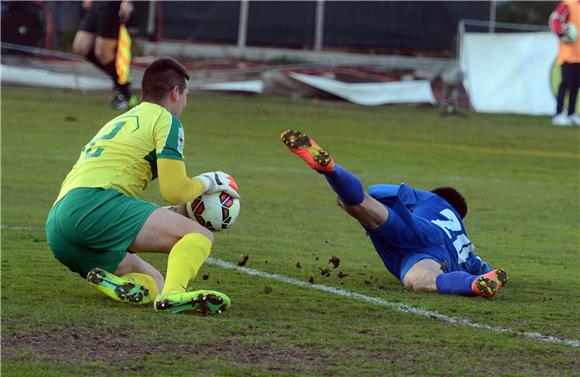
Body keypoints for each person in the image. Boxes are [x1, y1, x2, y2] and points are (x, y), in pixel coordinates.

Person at [46, 57, 240, 315]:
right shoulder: (166, 120)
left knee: (156, 282)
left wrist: (184, 209)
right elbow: (175, 190)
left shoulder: (121, 120)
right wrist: (210, 181)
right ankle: (174, 296)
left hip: (59, 227)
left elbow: (157, 204)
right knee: (199, 236)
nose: (185, 103)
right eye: (186, 95)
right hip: (95, 204)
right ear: (175, 93)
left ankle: (119, 284)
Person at [280, 130, 507, 298]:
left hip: (417, 229)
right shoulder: (465, 241)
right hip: (435, 255)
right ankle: (472, 285)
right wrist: (485, 274)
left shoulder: (431, 199)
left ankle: (331, 169)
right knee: (422, 280)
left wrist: (370, 212)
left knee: (357, 202)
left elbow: (379, 190)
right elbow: (484, 267)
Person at [72, 0, 136, 110]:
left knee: (103, 53)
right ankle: (122, 83)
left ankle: (126, 94)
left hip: (114, 4)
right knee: (80, 46)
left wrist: (127, 2)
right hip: (98, 3)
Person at [549, 0, 580, 126]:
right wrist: (562, 34)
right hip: (568, 54)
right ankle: (559, 114)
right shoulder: (568, 4)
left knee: (576, 86)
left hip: (579, 55)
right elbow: (555, 19)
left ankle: (571, 114)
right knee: (565, 84)